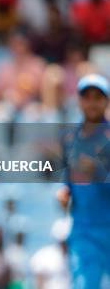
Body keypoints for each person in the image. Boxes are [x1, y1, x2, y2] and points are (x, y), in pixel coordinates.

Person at [56, 74, 110, 289]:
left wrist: (98, 172)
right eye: (87, 97)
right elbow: (66, 180)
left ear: (106, 100)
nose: (92, 102)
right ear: (79, 100)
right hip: (83, 229)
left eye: (98, 96)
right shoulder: (69, 138)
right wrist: (64, 193)